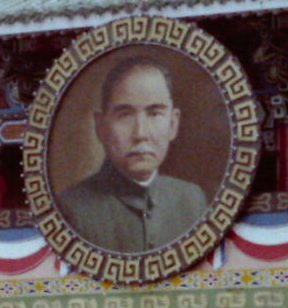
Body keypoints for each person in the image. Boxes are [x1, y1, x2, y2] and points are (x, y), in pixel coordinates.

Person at [57, 57, 209, 253]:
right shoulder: (71, 209)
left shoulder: (192, 200)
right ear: (101, 126)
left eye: (155, 114)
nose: (141, 134)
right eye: (125, 115)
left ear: (173, 123)